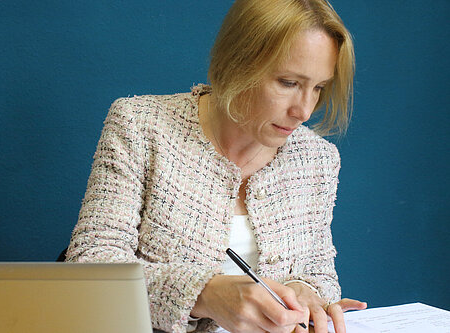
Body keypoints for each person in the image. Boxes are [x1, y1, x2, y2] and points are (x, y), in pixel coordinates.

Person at [66, 0, 367, 332]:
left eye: (319, 87)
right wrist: (204, 294)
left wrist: (306, 294)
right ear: (237, 62)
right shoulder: (141, 126)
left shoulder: (317, 159)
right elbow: (91, 267)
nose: (305, 111)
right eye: (288, 82)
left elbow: (319, 271)